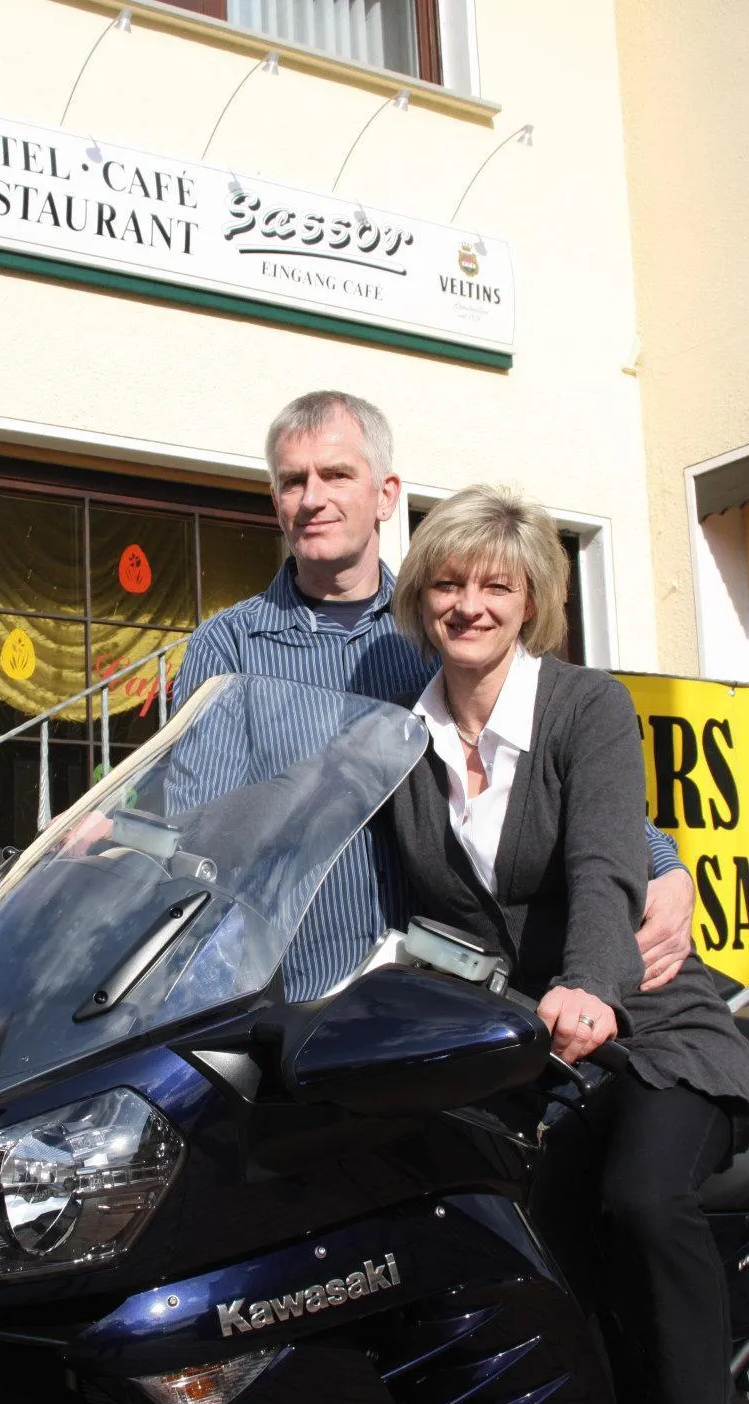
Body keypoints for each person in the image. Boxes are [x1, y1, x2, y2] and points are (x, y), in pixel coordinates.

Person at [390, 483, 749, 1404]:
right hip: (523, 1038)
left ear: (532, 598)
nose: (470, 604)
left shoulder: (583, 707)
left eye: (494, 585)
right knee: (519, 1247)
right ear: (422, 596)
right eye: (450, 582)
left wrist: (590, 985)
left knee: (641, 1203)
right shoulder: (398, 733)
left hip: (646, 1014)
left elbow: (604, 865)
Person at [172, 390, 693, 998]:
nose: (313, 498)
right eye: (293, 482)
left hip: (443, 994)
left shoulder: (446, 632)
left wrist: (668, 867)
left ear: (386, 494)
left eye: (337, 474)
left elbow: (561, 782)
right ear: (275, 502)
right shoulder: (230, 648)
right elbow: (197, 830)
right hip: (293, 997)